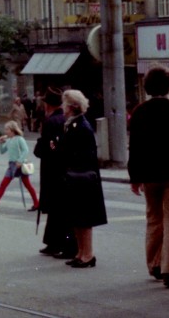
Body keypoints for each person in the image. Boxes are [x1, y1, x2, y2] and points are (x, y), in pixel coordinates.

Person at [128, 66, 169, 289]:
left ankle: (154, 264)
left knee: (154, 219)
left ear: (147, 86)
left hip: (150, 175)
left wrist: (134, 178)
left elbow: (134, 148)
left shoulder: (139, 112)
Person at [54, 89, 106, 269]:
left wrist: (60, 149)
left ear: (71, 106)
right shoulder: (72, 124)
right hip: (75, 177)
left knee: (84, 219)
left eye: (64, 103)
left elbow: (83, 154)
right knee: (76, 218)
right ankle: (81, 252)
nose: (62, 107)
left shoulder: (82, 126)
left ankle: (88, 254)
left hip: (82, 178)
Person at [34, 89, 75, 257]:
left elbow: (41, 150)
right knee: (59, 208)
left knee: (55, 209)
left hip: (52, 170)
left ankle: (56, 242)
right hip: (65, 170)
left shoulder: (51, 121)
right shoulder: (65, 118)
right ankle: (52, 241)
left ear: (47, 105)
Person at [0, 120, 39, 211]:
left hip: (19, 165)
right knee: (4, 184)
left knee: (27, 185)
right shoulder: (9, 140)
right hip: (11, 165)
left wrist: (20, 161)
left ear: (12, 130)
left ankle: (36, 203)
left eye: (7, 129)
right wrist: (1, 143)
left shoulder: (19, 139)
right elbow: (2, 151)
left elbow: (25, 150)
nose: (5, 131)